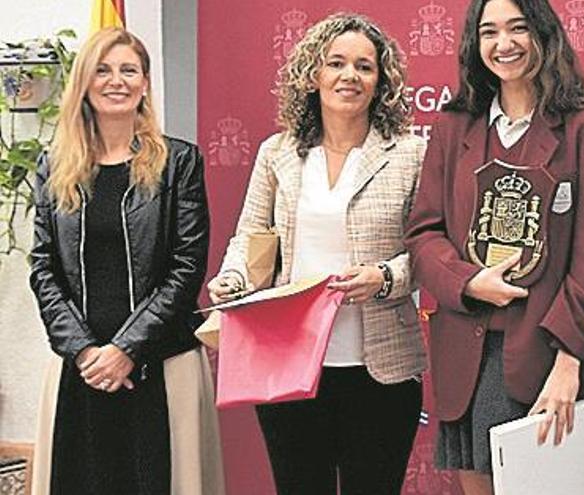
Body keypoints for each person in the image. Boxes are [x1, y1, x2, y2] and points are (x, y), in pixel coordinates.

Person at [403, 0, 584, 492]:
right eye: (489, 32)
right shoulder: (453, 126)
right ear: (474, 43)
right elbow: (423, 234)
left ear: (543, 33)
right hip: (466, 356)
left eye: (518, 28)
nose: (504, 44)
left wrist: (569, 359)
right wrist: (468, 281)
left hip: (546, 355)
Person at [207, 13, 425, 495]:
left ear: (381, 81)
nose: (350, 76)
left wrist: (385, 277)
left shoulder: (410, 154)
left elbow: (429, 252)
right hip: (288, 361)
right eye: (336, 63)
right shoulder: (277, 153)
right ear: (313, 75)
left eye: (365, 67)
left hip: (381, 369)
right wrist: (234, 278)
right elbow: (250, 236)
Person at [29, 28, 224, 495]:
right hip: (82, 368)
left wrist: (126, 350)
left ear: (144, 83)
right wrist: (85, 350)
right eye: (103, 69)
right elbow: (43, 268)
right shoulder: (53, 165)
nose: (116, 81)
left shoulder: (178, 162)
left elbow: (186, 265)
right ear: (84, 82)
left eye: (128, 70)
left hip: (163, 362)